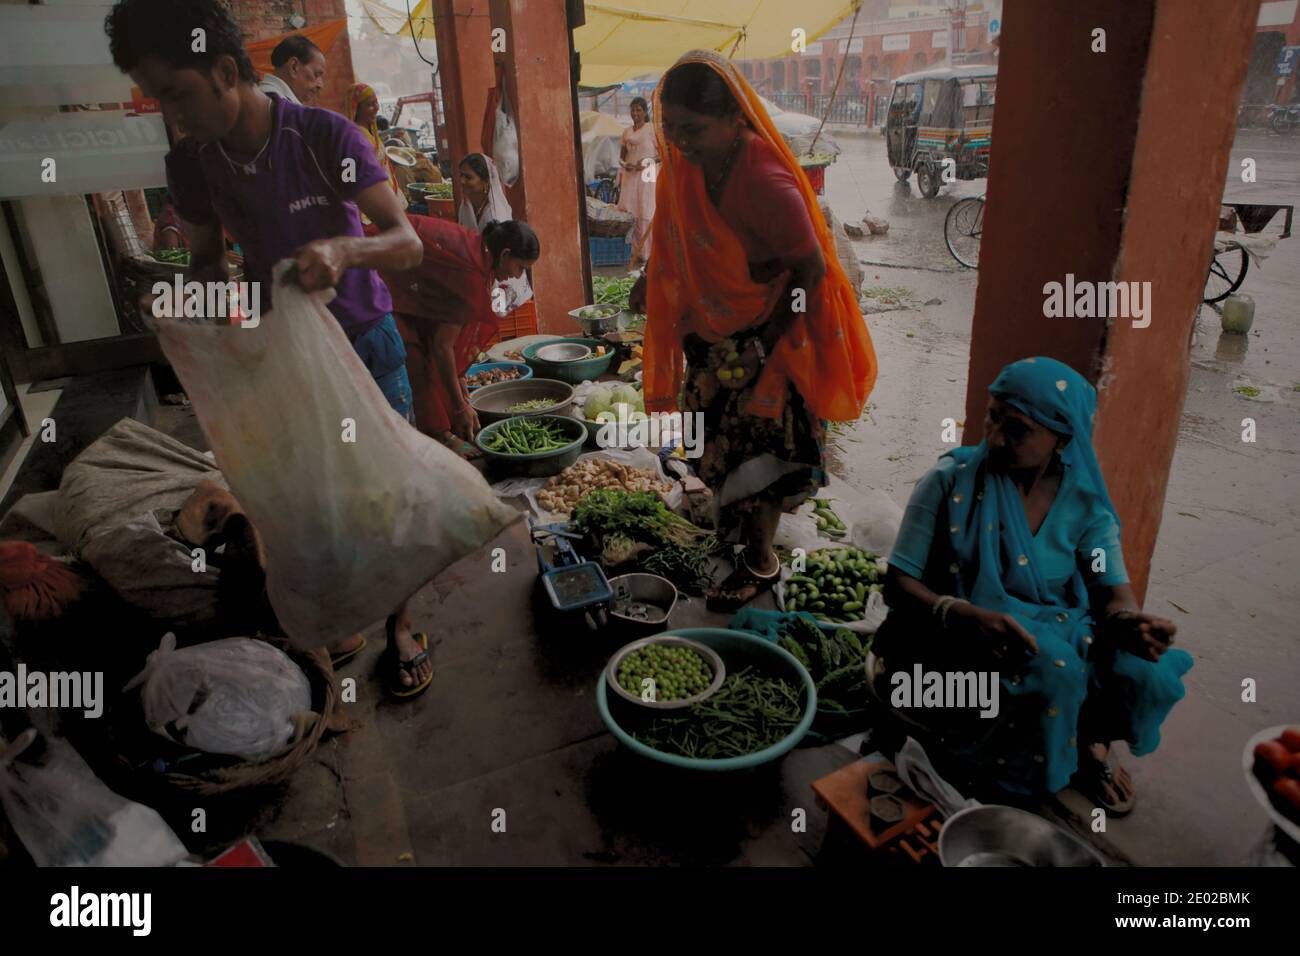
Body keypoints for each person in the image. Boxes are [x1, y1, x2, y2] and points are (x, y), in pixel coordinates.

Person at [106, 0, 435, 699]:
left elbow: (407, 244)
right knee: (313, 498)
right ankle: (341, 610)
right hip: (283, 356)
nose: (173, 115)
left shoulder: (324, 137)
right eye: (158, 98)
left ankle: (400, 625)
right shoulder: (193, 164)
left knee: (390, 496)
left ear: (226, 70)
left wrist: (347, 250)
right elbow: (204, 262)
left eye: (177, 94)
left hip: (363, 344)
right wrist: (185, 303)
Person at [876, 357, 1193, 812]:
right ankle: (1010, 778)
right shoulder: (950, 483)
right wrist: (962, 615)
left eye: (1018, 428)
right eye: (993, 415)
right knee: (1054, 669)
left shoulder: (1085, 508)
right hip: (949, 641)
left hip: (1053, 627)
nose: (995, 435)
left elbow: (1112, 593)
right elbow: (899, 584)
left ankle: (1090, 742)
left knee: (1144, 673)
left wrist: (1128, 621)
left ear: (1062, 438)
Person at [628, 50, 877, 612]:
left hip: (773, 335)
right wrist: (650, 276)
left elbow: (811, 272)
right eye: (672, 129)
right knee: (717, 441)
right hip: (714, 335)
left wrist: (762, 343)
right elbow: (676, 236)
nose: (679, 142)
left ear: (734, 118)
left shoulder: (765, 178)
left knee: (761, 455)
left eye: (693, 130)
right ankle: (735, 533)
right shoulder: (687, 168)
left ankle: (761, 563)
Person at [378, 216, 539, 460]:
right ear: (505, 254)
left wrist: (459, 376)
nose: (518, 276)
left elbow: (450, 329)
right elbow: (443, 346)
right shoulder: (470, 274)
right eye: (520, 267)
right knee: (418, 360)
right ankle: (439, 435)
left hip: (406, 289)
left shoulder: (480, 249)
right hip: (388, 289)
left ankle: (443, 426)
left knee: (439, 367)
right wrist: (459, 406)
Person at [456, 153, 532, 313]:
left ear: (485, 181)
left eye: (468, 177)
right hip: (482, 272)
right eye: (461, 175)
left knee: (498, 315)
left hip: (500, 272)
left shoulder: (495, 215)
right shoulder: (466, 206)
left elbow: (502, 260)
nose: (462, 181)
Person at [617, 96, 658, 267]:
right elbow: (621, 157)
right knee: (629, 212)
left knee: (646, 212)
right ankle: (634, 251)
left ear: (645, 112)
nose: (635, 113)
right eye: (633, 110)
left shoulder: (651, 130)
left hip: (647, 176)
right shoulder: (626, 132)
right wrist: (627, 165)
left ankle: (648, 254)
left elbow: (662, 154)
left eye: (638, 110)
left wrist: (645, 162)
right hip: (630, 176)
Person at [344, 82, 402, 200]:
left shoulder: (371, 132)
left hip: (385, 198)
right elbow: (348, 179)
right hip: (372, 203)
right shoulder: (353, 138)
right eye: (370, 104)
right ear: (356, 109)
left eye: (376, 102)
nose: (376, 107)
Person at [257, 34, 326, 106]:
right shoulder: (275, 105)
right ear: (294, 67)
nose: (320, 85)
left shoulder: (266, 98)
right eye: (316, 74)